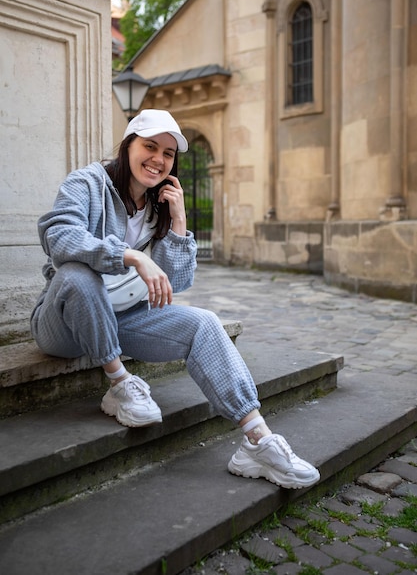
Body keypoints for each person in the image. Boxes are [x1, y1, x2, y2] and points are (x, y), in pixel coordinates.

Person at [30, 108, 320, 490]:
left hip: (123, 319)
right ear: (128, 145)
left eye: (168, 154)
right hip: (63, 325)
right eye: (150, 146)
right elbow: (59, 238)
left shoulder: (158, 205)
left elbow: (177, 282)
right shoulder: (87, 182)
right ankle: (119, 385)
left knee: (204, 322)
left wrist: (179, 220)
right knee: (78, 275)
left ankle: (258, 441)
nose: (158, 159)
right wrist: (131, 255)